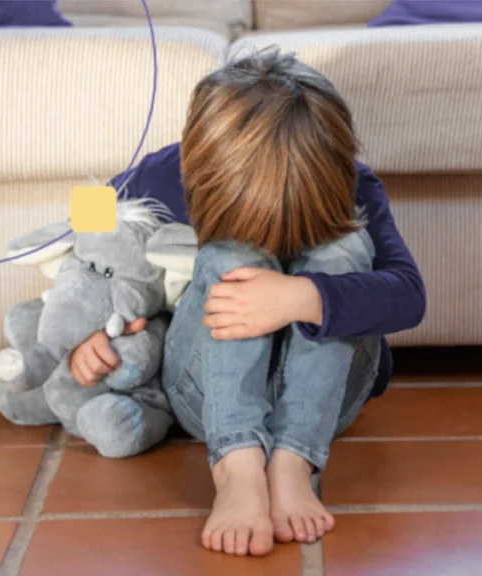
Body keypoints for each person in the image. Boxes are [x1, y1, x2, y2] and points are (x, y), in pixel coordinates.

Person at [67, 47, 426, 557]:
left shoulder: (355, 183)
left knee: (344, 248)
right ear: (200, 173)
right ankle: (236, 467)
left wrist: (303, 297)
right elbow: (87, 226)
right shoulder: (167, 172)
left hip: (326, 404)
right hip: (208, 396)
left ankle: (293, 461)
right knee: (228, 255)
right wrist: (87, 326)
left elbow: (410, 297)